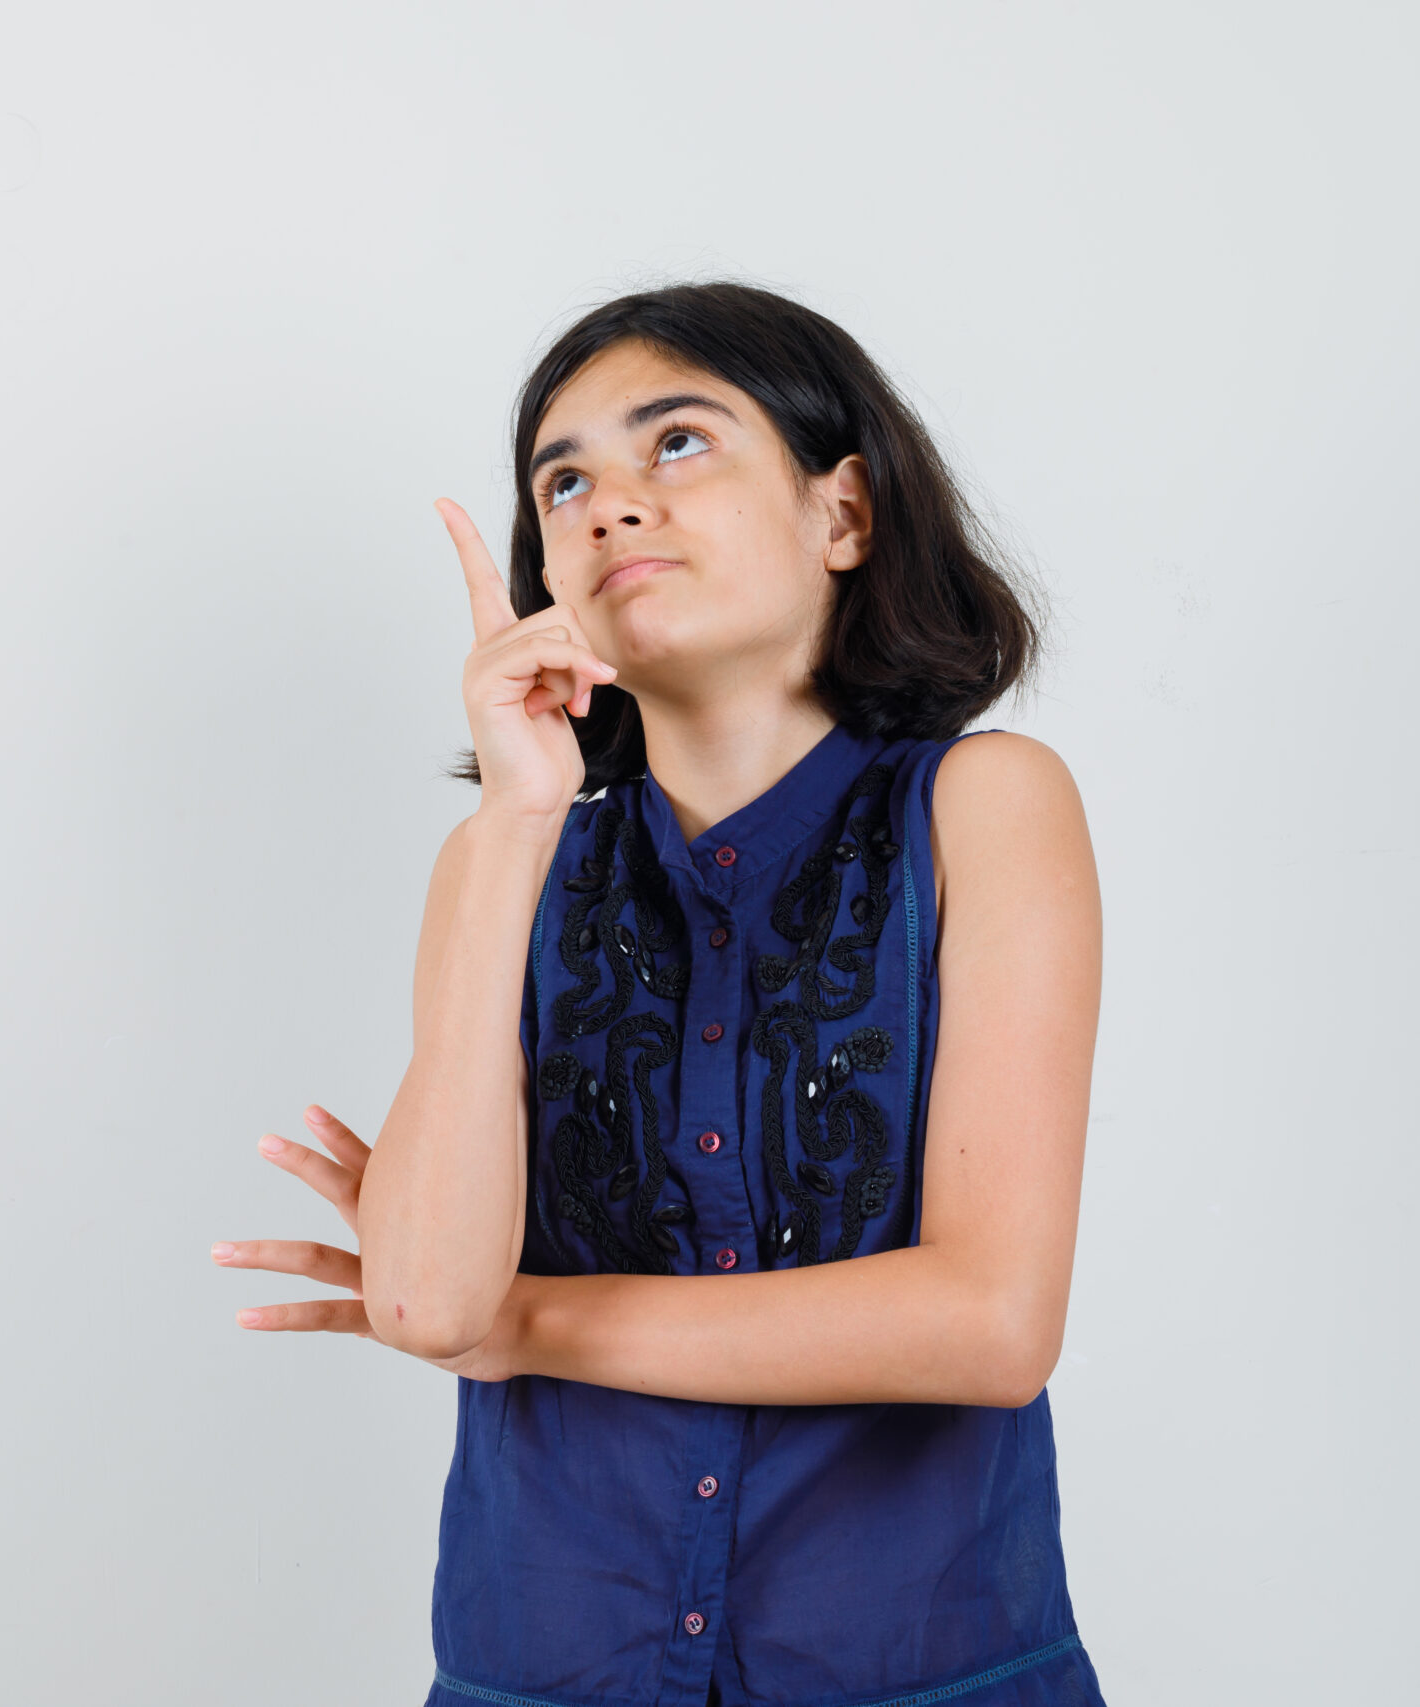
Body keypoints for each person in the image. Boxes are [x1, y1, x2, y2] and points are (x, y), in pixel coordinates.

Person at [211, 282, 1104, 1707]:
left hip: (915, 1674)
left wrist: (539, 1323)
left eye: (677, 445)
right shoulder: (501, 862)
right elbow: (436, 1304)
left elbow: (990, 1324)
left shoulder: (985, 808)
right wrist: (514, 820)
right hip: (543, 1670)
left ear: (845, 513)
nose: (610, 503)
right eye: (564, 482)